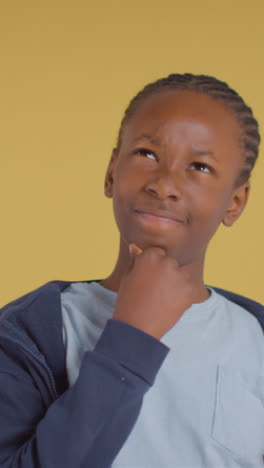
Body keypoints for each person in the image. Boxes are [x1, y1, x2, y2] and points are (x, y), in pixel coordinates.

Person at [0, 73, 263, 468]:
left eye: (200, 167)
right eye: (147, 154)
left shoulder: (254, 340)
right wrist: (132, 337)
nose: (164, 184)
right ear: (111, 172)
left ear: (235, 203)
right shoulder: (31, 335)